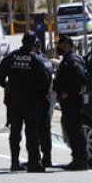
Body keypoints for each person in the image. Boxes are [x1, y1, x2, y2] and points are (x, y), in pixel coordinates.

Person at [0, 31, 52, 172]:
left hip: (14, 101)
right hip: (30, 101)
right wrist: (37, 92)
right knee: (31, 131)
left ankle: (14, 162)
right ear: (33, 44)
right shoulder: (34, 59)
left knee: (15, 132)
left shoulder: (11, 57)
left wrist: (7, 85)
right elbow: (45, 79)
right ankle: (33, 162)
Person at [54, 33, 88, 170]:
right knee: (71, 128)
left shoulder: (73, 60)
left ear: (67, 45)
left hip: (73, 101)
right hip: (68, 102)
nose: (58, 47)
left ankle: (80, 159)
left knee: (75, 129)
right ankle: (77, 158)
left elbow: (79, 78)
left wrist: (67, 92)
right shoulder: (66, 60)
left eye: (60, 44)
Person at [32, 35, 55, 167]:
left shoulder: (35, 60)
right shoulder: (47, 60)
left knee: (35, 129)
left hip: (37, 99)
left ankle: (36, 158)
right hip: (47, 98)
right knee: (46, 129)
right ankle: (47, 157)